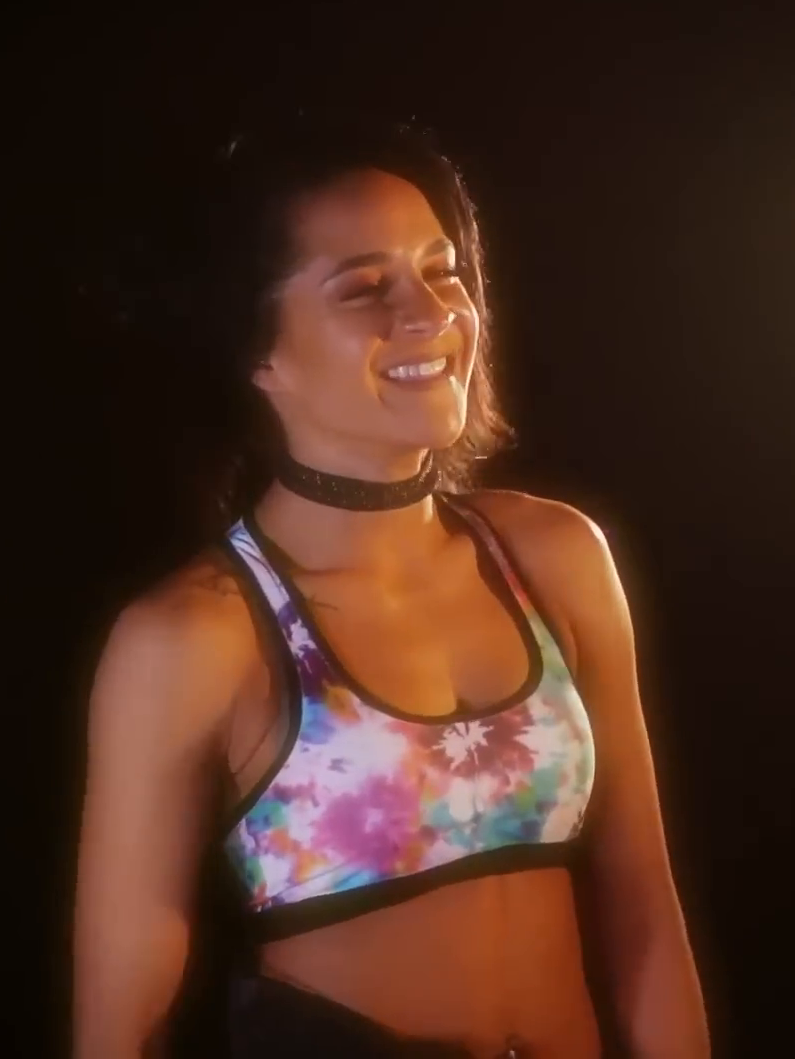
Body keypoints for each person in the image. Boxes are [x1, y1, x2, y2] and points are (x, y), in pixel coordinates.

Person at [72, 115, 708, 1059]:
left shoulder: (552, 555)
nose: (433, 313)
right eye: (366, 288)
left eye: (442, 271)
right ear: (256, 351)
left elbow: (643, 913)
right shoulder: (196, 636)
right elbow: (119, 1032)